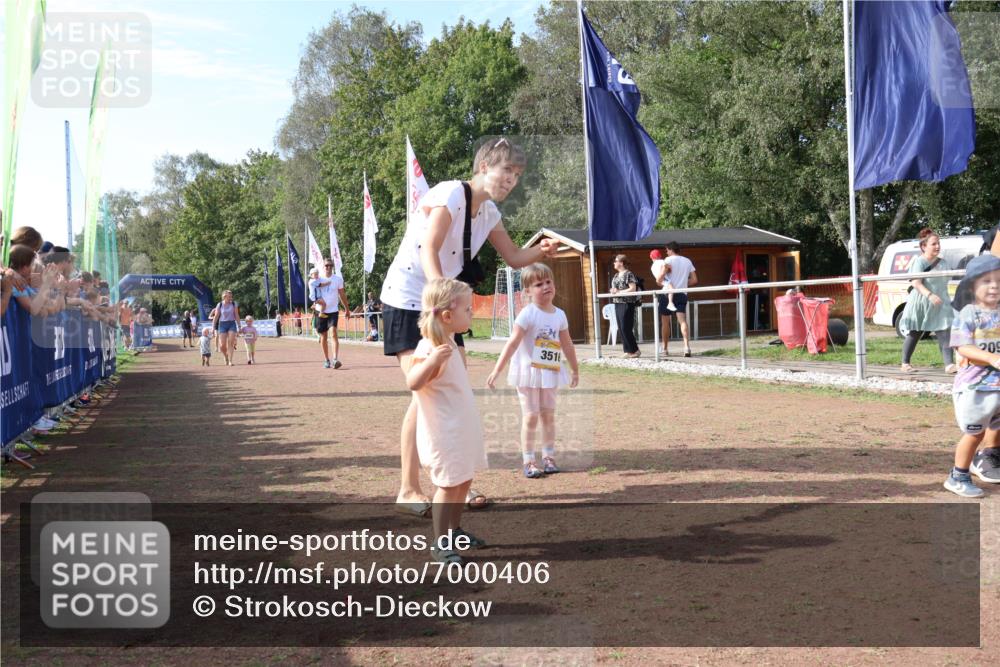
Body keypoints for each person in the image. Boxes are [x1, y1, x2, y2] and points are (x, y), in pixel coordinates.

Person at [380, 137, 558, 515]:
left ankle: (456, 480)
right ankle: (409, 488)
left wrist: (541, 250)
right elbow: (429, 248)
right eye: (506, 170)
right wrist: (441, 298)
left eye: (517, 175)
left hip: (444, 304)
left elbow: (514, 257)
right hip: (411, 300)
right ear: (484, 166)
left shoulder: (488, 212)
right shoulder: (451, 194)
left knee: (455, 388)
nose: (511, 180)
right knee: (424, 392)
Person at [406, 278, 487, 564]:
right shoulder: (429, 347)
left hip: (460, 431)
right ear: (448, 316)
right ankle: (440, 542)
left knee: (463, 482)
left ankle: (454, 532)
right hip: (443, 435)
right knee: (448, 486)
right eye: (468, 309)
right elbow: (413, 382)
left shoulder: (450, 343)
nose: (472, 313)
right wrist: (431, 362)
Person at [486, 263, 579, 478]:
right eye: (539, 284)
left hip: (549, 372)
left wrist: (575, 369)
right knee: (531, 417)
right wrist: (497, 370)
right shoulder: (527, 314)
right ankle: (528, 460)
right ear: (527, 291)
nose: (545, 286)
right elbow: (512, 343)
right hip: (528, 374)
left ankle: (549, 457)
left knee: (548, 416)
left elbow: (567, 345)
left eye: (548, 281)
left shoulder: (560, 315)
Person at [943, 253, 1000, 497]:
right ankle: (958, 476)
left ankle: (987, 460)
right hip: (976, 387)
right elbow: (962, 346)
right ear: (971, 286)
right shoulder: (969, 313)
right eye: (986, 281)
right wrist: (990, 358)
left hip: (997, 386)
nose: (994, 286)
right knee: (975, 433)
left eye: (998, 281)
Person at [899, 228, 957, 374]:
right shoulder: (919, 262)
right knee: (915, 333)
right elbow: (916, 283)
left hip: (939, 303)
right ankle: (905, 363)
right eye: (933, 244)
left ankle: (949, 365)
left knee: (944, 332)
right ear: (924, 246)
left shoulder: (943, 263)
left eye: (938, 243)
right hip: (922, 302)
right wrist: (930, 295)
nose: (937, 246)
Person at [310, 259, 349, 369]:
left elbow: (342, 295)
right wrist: (314, 301)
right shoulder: (318, 278)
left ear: (333, 266)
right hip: (320, 311)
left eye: (330, 265)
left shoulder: (338, 279)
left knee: (333, 333)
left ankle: (335, 359)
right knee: (323, 336)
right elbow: (312, 289)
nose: (328, 267)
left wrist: (347, 309)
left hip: (333, 311)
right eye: (326, 265)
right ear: (323, 266)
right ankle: (327, 360)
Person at [662, 242, 697, 357]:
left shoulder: (668, 260)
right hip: (682, 292)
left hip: (667, 293)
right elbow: (694, 280)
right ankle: (686, 347)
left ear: (671, 249)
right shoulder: (687, 261)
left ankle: (665, 349)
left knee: (665, 322)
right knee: (682, 320)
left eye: (667, 250)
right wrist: (683, 284)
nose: (666, 252)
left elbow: (662, 277)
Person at [609, 254, 641, 358]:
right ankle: (628, 350)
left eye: (616, 261)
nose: (614, 263)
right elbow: (615, 288)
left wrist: (619, 292)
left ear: (621, 263)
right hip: (617, 302)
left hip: (627, 303)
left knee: (625, 327)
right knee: (621, 327)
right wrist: (613, 290)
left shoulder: (628, 274)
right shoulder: (616, 275)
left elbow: (632, 288)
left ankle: (634, 350)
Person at [214, 290, 240, 366]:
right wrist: (213, 327)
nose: (230, 298)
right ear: (224, 297)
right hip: (222, 324)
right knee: (222, 345)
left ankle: (230, 361)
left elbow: (236, 315)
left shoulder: (234, 304)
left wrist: (239, 326)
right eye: (229, 297)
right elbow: (216, 316)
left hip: (232, 323)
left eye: (231, 296)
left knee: (231, 342)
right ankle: (226, 356)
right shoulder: (220, 304)